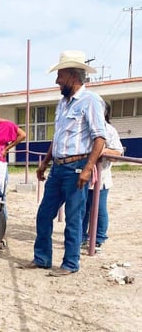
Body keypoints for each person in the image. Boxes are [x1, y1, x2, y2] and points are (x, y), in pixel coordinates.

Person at [24, 50, 107, 276]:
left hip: (77, 167)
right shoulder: (62, 103)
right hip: (58, 167)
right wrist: (45, 163)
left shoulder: (90, 101)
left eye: (60, 75)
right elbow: (58, 137)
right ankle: (42, 258)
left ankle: (70, 264)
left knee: (73, 216)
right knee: (44, 214)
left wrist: (88, 169)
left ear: (72, 75)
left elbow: (100, 137)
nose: (57, 81)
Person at [82, 101, 123, 250]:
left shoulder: (109, 130)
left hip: (101, 177)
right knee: (82, 208)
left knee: (99, 209)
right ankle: (81, 237)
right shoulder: (84, 128)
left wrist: (103, 151)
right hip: (82, 174)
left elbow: (118, 152)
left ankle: (99, 238)